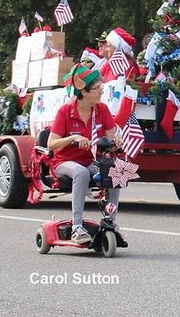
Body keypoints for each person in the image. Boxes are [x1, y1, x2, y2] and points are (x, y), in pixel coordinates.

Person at [47, 64, 122, 244]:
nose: (101, 92)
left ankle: (110, 220)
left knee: (118, 170)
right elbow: (51, 144)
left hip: (91, 160)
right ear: (84, 92)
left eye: (101, 88)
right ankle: (77, 226)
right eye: (97, 88)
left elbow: (112, 138)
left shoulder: (102, 109)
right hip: (65, 162)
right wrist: (72, 138)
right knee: (80, 172)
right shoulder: (65, 111)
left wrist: (116, 142)